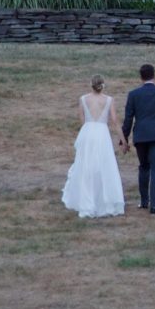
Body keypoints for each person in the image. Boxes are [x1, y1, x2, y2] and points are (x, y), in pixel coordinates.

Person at [60, 75, 127, 219]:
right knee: (104, 165)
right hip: (102, 134)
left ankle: (87, 199)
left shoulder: (83, 99)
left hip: (87, 133)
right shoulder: (109, 100)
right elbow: (114, 121)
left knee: (86, 165)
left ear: (91, 85)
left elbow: (82, 119)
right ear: (103, 85)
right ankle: (103, 200)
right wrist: (123, 140)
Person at [119, 63, 155, 215]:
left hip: (141, 136)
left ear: (140, 77)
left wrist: (123, 139)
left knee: (144, 167)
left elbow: (128, 119)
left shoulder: (133, 95)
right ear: (154, 75)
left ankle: (144, 201)